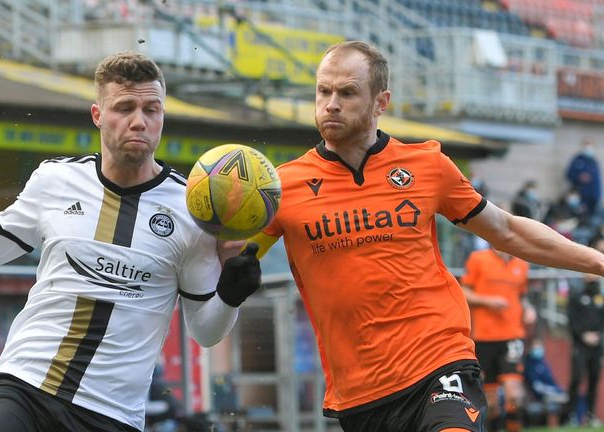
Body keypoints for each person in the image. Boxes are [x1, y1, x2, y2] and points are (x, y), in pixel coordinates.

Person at [0, 51, 262, 432]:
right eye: (125, 107)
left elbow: (205, 332)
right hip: (25, 385)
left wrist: (230, 295)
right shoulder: (54, 180)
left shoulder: (193, 212)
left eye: (152, 109)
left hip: (111, 415)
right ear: (97, 114)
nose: (139, 120)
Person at [246, 40, 604, 432]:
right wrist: (233, 273)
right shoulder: (281, 187)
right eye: (323, 90)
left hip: (440, 360)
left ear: (381, 102)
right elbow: (234, 258)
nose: (331, 103)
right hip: (362, 394)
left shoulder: (427, 166)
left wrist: (598, 262)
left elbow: (507, 230)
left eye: (347, 92)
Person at [460, 246, 536, 432]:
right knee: (491, 402)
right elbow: (463, 292)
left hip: (512, 336)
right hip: (484, 337)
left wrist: (529, 309)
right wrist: (488, 301)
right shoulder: (478, 259)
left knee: (514, 395)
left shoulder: (521, 263)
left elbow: (521, 296)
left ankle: (513, 427)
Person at [562, 271, 604, 426]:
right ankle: (570, 415)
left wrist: (598, 336)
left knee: (594, 379)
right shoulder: (577, 295)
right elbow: (571, 319)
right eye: (588, 273)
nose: (591, 276)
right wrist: (582, 335)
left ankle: (590, 415)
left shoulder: (600, 296)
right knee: (576, 379)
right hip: (580, 345)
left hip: (597, 345)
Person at [523, 338, 567, 427]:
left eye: (540, 346)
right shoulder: (529, 364)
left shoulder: (543, 362)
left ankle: (565, 422)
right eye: (535, 346)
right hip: (539, 395)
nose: (538, 349)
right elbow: (536, 386)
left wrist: (557, 390)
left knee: (568, 397)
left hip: (551, 392)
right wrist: (552, 391)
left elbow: (551, 381)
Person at [565, 137, 601, 216]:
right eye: (587, 145)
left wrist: (596, 197)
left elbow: (597, 181)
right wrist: (579, 177)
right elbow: (568, 174)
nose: (588, 148)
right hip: (579, 195)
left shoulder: (594, 162)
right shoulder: (577, 159)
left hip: (591, 197)